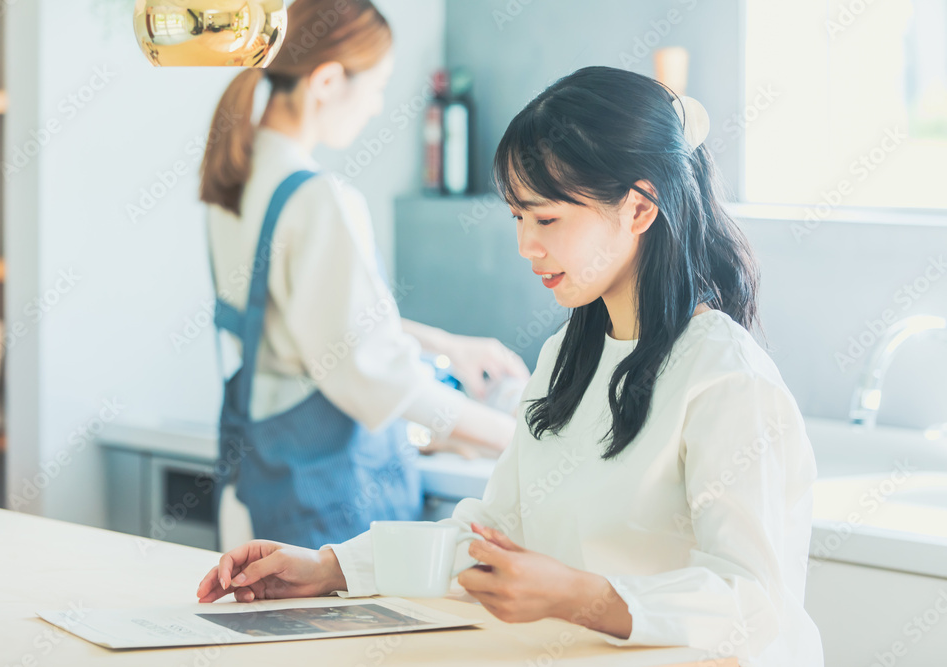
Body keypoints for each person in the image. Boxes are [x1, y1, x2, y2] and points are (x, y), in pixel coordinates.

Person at [195, 65, 824, 667]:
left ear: (638, 208)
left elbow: (756, 603)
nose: (526, 244)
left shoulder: (725, 378)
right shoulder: (565, 357)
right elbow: (493, 530)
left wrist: (584, 598)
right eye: (519, 216)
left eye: (547, 218)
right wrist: (330, 568)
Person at [199, 0, 528, 551]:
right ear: (326, 80)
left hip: (254, 484)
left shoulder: (238, 174)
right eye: (376, 87)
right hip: (321, 500)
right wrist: (517, 441)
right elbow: (380, 377)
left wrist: (446, 345)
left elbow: (313, 322)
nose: (377, 106)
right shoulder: (318, 197)